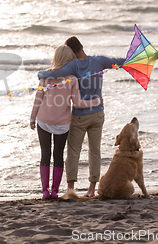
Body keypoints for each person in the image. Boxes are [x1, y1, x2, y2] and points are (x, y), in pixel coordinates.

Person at [37, 36, 125, 197]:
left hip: (79, 116)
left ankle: (71, 189)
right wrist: (130, 60)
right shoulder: (100, 61)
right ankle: (91, 190)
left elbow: (54, 72)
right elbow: (117, 62)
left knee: (73, 151)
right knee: (95, 151)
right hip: (98, 113)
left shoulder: (73, 65)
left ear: (70, 52)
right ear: (82, 46)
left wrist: (40, 73)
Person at [30, 45, 102, 199]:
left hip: (43, 120)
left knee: (45, 154)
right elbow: (78, 104)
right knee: (57, 155)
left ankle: (45, 192)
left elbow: (38, 98)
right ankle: (55, 191)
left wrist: (32, 117)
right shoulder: (72, 79)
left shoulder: (45, 76)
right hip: (62, 124)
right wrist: (96, 101)